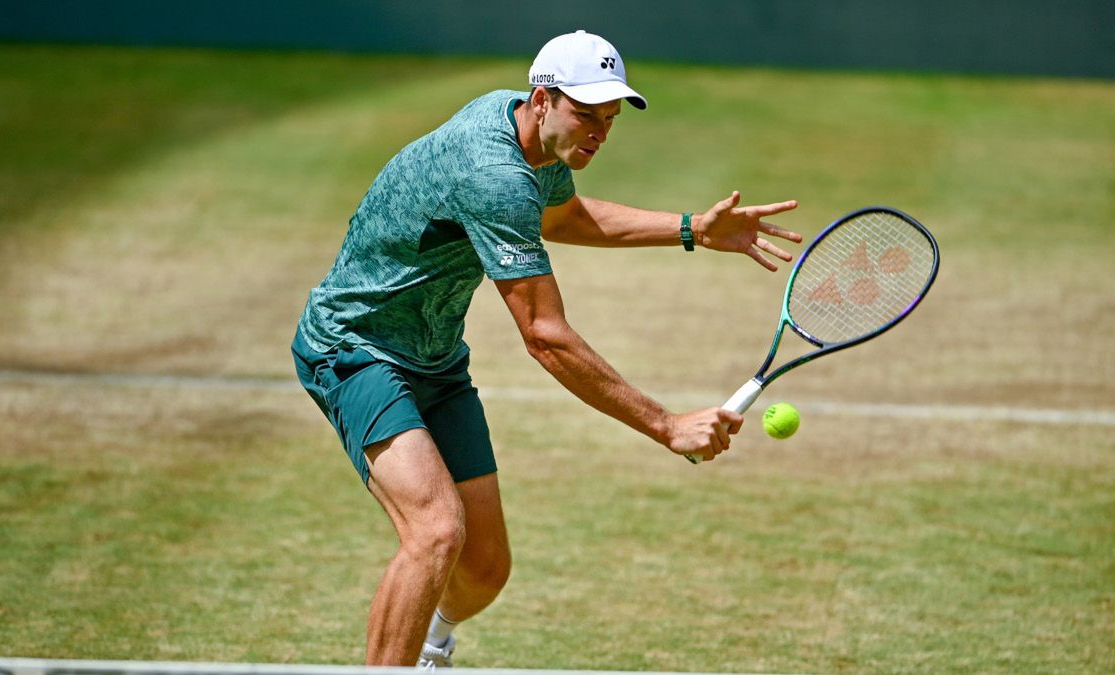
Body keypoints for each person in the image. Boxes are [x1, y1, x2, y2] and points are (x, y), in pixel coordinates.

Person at [291, 29, 802, 667]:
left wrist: (691, 229)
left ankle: (428, 647)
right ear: (543, 99)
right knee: (435, 531)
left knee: (483, 569)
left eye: (609, 118)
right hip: (354, 345)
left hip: (434, 356)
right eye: (585, 114)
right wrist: (666, 425)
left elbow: (557, 218)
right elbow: (545, 336)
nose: (597, 131)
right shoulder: (494, 172)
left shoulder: (528, 133)